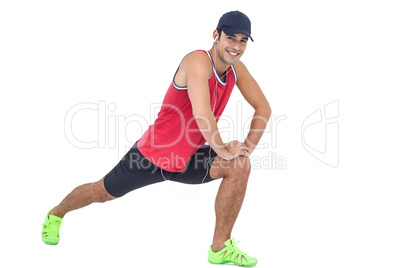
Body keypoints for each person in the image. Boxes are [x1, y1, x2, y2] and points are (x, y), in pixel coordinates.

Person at [42, 10, 271, 267]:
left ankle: (219, 249)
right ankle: (56, 214)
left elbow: (263, 108)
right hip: (152, 156)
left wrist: (244, 150)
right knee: (101, 192)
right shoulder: (198, 61)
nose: (236, 46)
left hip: (188, 158)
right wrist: (222, 148)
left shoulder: (236, 70)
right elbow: (202, 114)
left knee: (240, 166)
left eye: (243, 40)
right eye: (231, 37)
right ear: (216, 36)